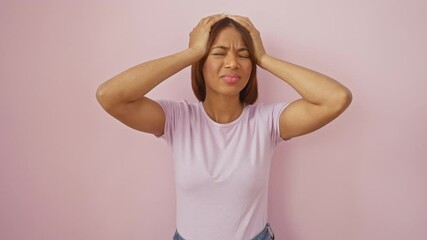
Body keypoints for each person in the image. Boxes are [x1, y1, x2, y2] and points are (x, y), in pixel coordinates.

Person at [96, 14, 352, 240]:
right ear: (201, 62)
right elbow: (110, 96)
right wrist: (190, 53)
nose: (232, 63)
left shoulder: (267, 122)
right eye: (219, 53)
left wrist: (262, 57)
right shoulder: (177, 119)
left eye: (243, 55)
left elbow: (335, 98)